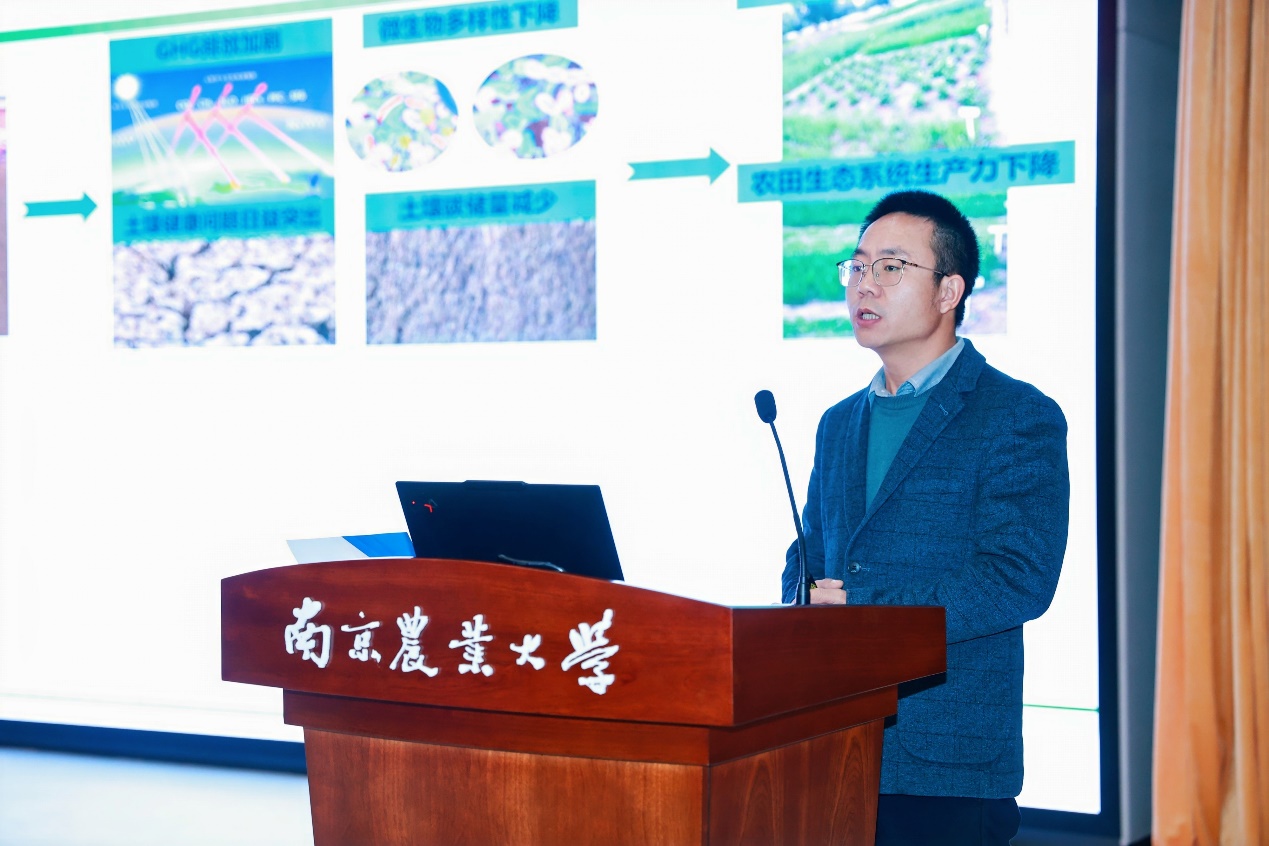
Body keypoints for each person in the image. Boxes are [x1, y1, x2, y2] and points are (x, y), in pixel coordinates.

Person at [781, 190, 1069, 846]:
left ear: (948, 291)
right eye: (857, 266)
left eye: (890, 267)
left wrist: (860, 608)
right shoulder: (838, 422)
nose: (864, 284)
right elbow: (810, 554)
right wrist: (800, 600)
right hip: (833, 746)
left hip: (947, 768)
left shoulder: (1015, 415)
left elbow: (1016, 580)